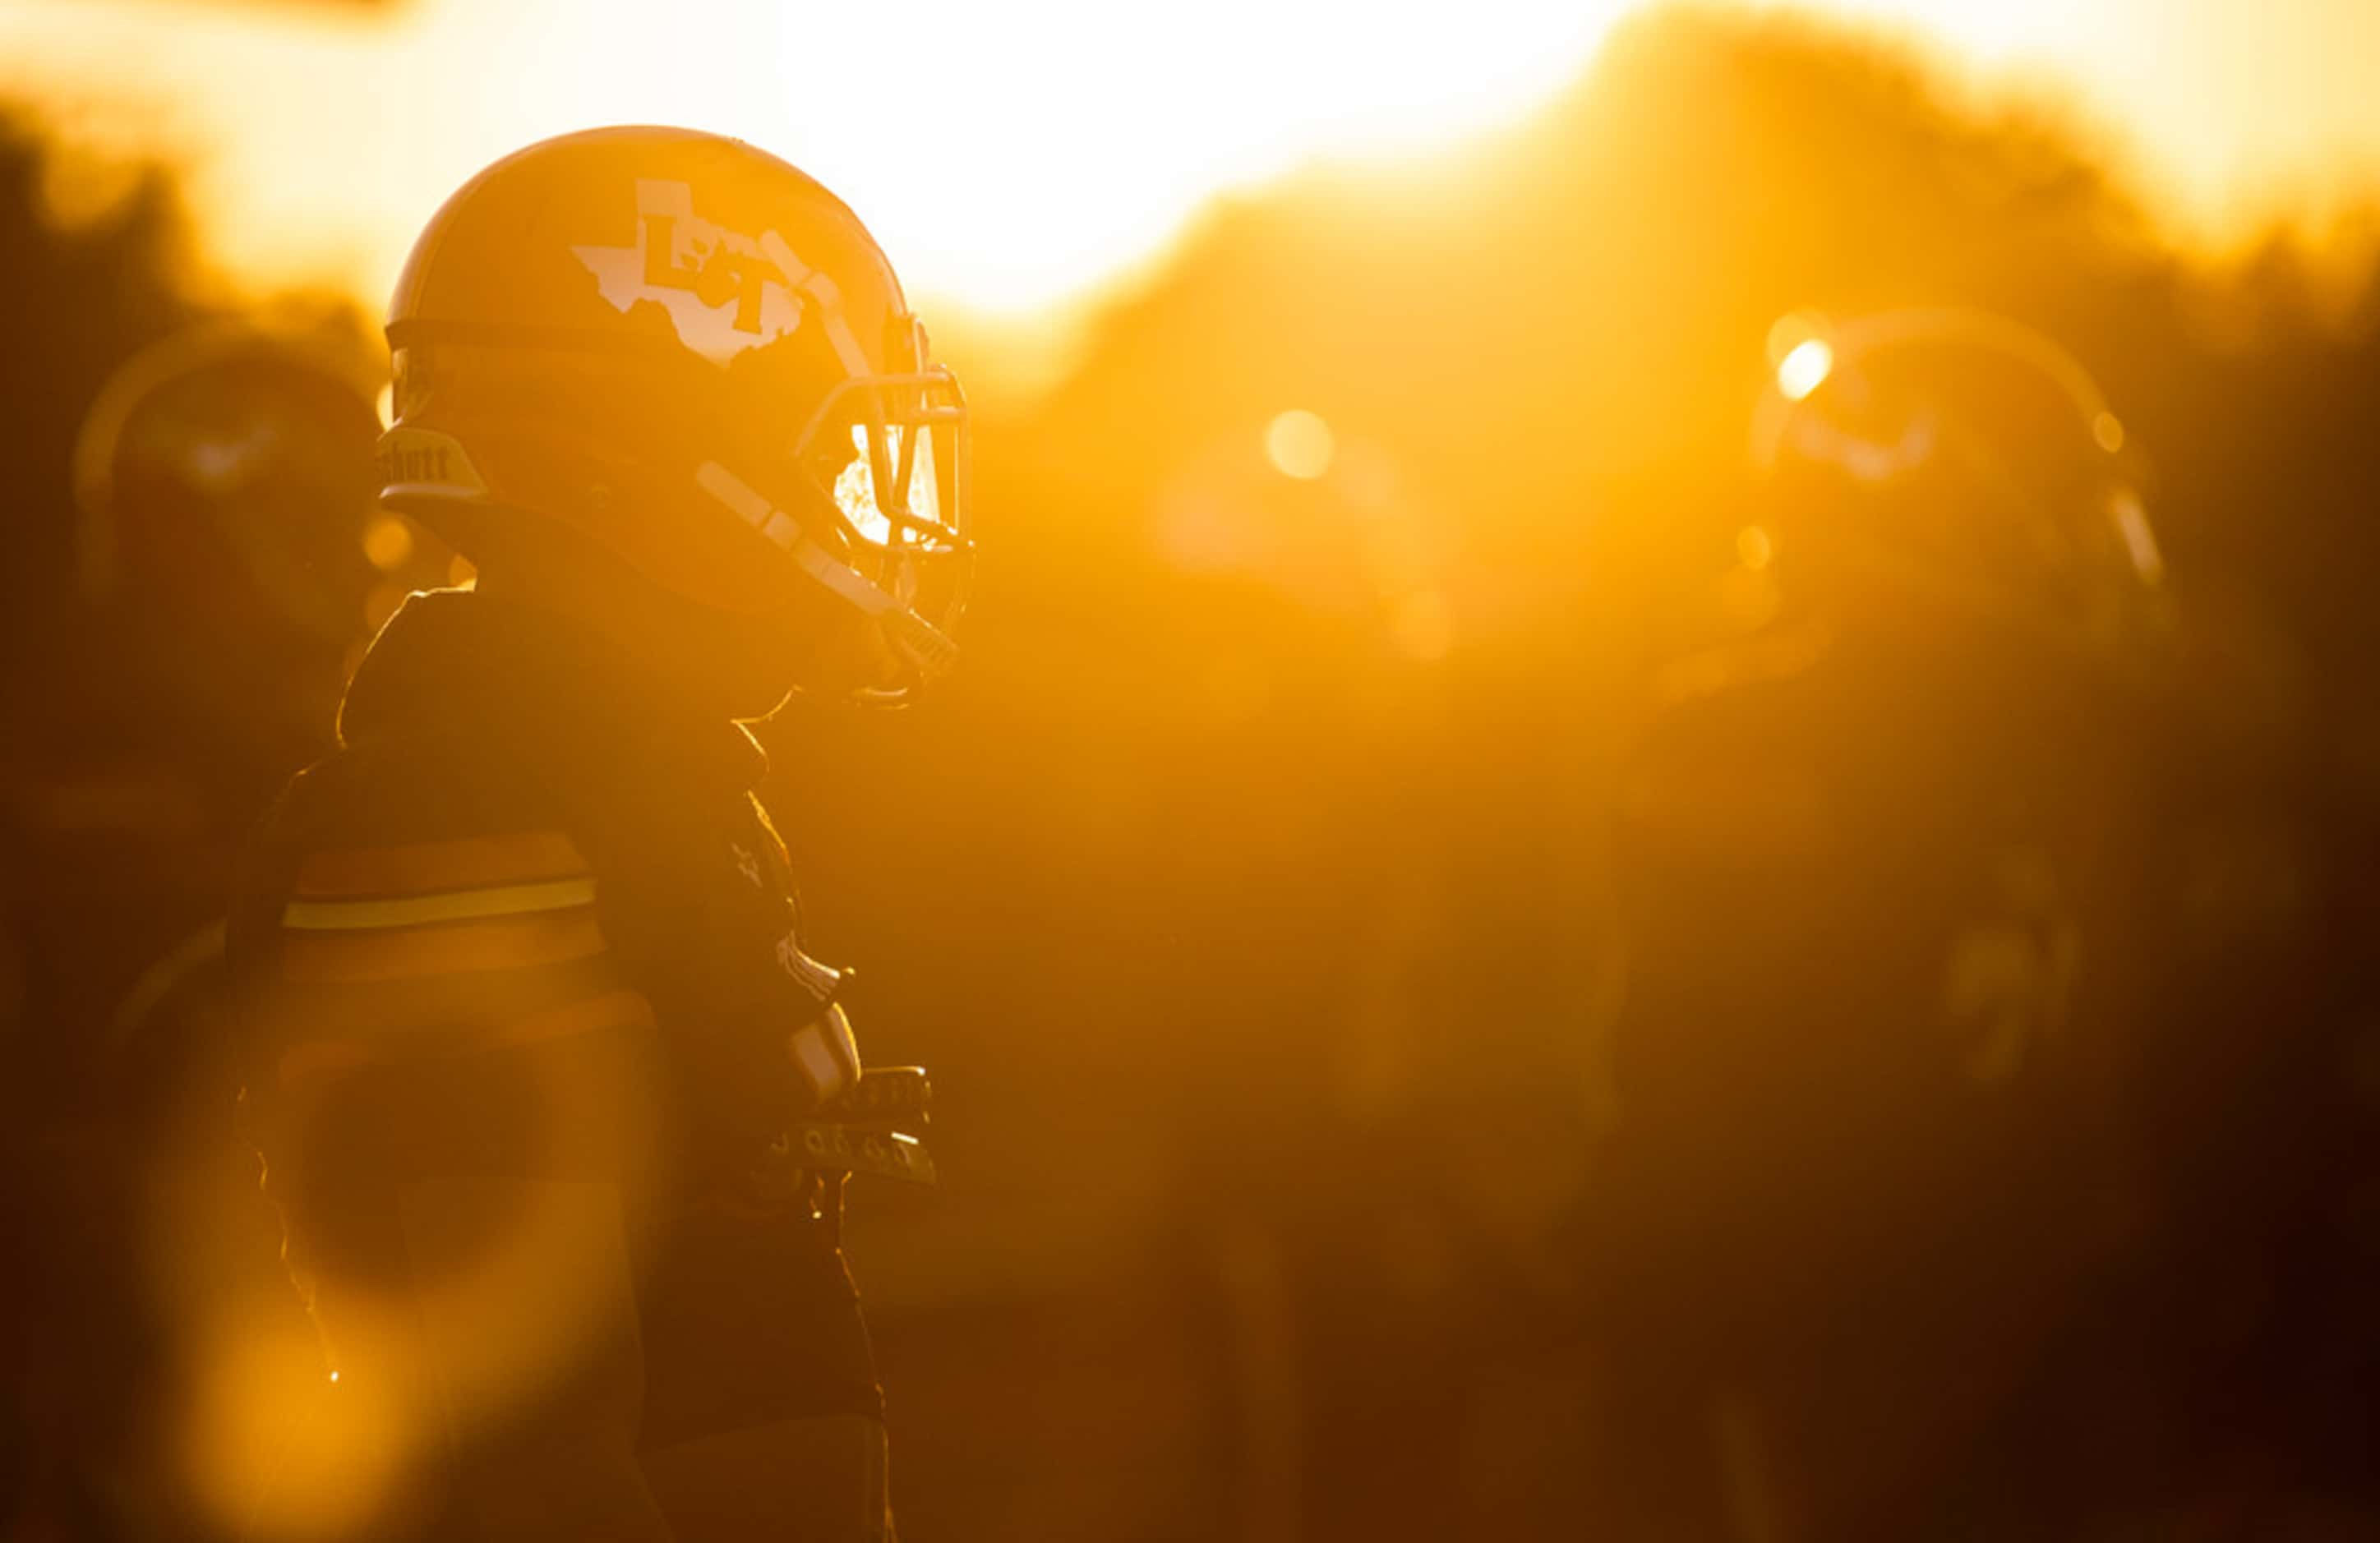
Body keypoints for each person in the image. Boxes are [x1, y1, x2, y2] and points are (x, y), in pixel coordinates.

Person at [225, 126, 966, 1541]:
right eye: (816, 451)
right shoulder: (452, 820)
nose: (852, 509)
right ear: (653, 455)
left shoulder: (619, 777)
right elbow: (497, 1438)